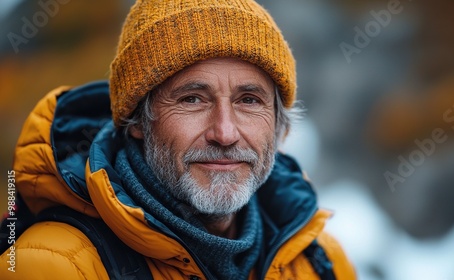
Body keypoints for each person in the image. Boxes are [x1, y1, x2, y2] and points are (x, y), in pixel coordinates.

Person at [0, 0, 356, 279]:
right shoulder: (53, 267)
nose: (225, 133)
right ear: (137, 120)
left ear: (281, 126)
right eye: (192, 99)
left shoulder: (323, 262)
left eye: (249, 100)